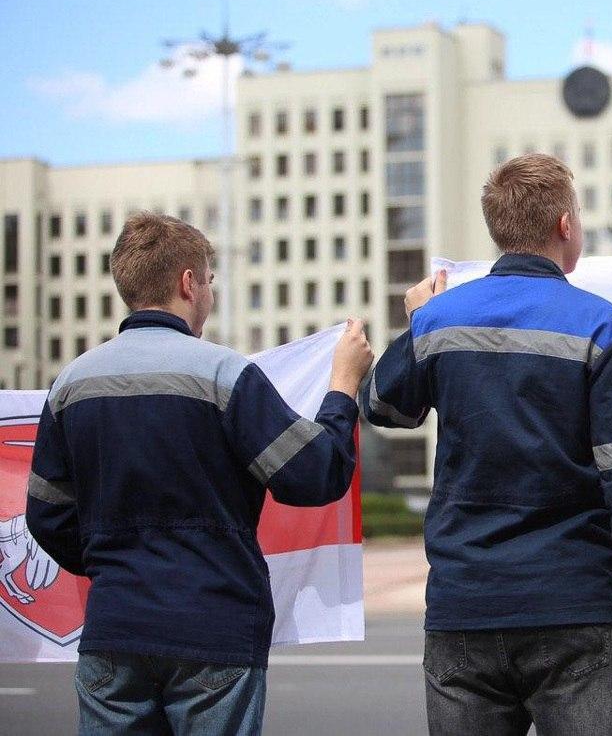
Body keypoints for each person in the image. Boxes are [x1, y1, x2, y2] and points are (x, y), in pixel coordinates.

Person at [364, 153, 612, 736]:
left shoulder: (441, 323)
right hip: (578, 611)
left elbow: (383, 405)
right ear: (565, 224)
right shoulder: (601, 326)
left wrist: (417, 322)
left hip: (466, 608)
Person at [25, 212, 373, 735]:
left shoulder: (71, 385)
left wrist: (114, 563)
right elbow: (315, 476)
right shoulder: (224, 375)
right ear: (189, 282)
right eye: (209, 281)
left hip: (115, 630)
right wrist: (343, 386)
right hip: (215, 632)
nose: (209, 293)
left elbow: (46, 517)